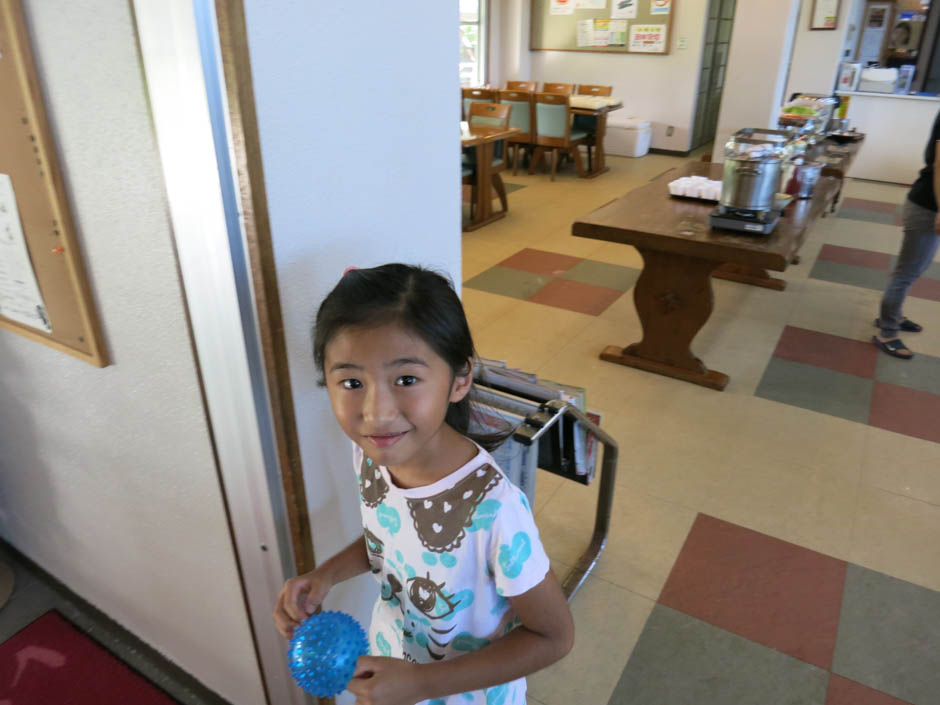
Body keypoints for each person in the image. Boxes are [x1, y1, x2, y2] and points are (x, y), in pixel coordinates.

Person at [273, 264, 574, 705]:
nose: (376, 413)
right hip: (392, 670)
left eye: (407, 379)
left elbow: (553, 637)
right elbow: (390, 537)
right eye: (352, 382)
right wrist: (325, 575)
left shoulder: (495, 511)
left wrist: (421, 685)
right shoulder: (372, 455)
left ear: (460, 378)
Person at [873, 113, 940, 359]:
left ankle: (894, 316)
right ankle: (887, 332)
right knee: (907, 273)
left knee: (914, 268)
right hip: (927, 207)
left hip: (929, 206)